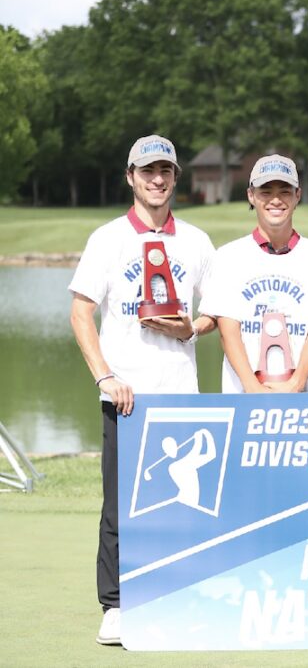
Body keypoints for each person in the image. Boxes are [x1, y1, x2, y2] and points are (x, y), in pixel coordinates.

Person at [69, 134, 216, 646]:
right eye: (147, 171)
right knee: (119, 505)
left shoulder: (196, 241)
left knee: (183, 504)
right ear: (130, 177)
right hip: (126, 395)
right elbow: (80, 311)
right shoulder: (108, 238)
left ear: (176, 178)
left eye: (166, 171)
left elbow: (215, 310)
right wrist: (105, 375)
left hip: (180, 391)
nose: (157, 179)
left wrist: (192, 328)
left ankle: (177, 595)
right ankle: (115, 604)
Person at [199, 155, 308, 393]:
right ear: (251, 195)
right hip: (244, 398)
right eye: (266, 191)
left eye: (285, 192)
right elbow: (229, 331)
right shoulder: (228, 256)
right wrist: (252, 388)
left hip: (304, 400)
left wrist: (296, 384)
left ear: (298, 195)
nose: (276, 200)